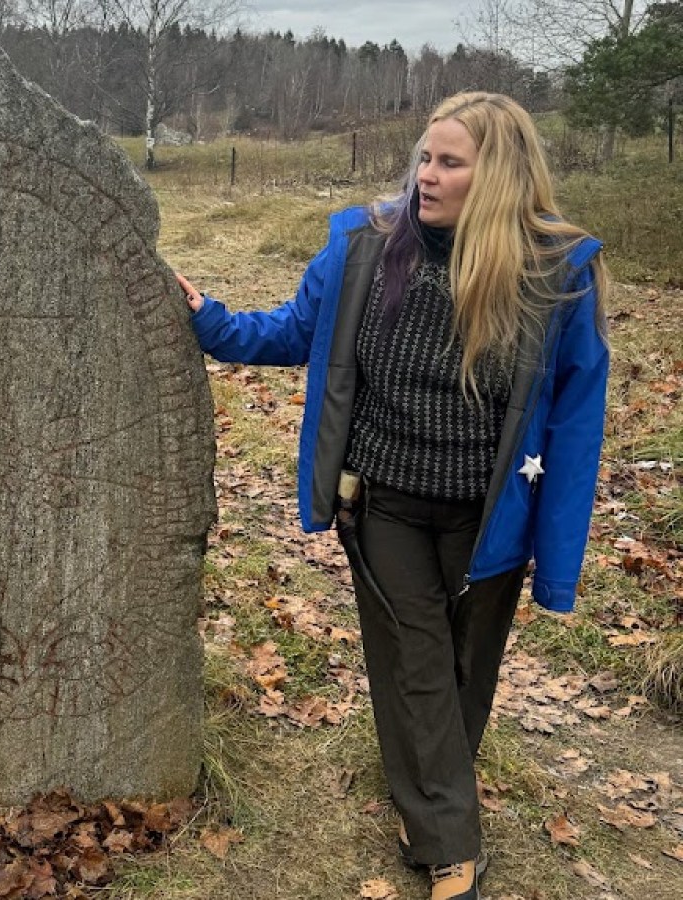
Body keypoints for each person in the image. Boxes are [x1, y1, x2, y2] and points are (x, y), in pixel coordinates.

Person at [176, 91, 608, 900]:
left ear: (501, 178)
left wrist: (557, 562)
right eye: (423, 158)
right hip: (387, 503)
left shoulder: (557, 274)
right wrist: (209, 320)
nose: (426, 176)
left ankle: (428, 803)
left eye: (449, 163)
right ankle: (454, 850)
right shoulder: (366, 247)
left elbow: (579, 425)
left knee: (462, 674)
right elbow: (292, 331)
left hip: (492, 517)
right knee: (415, 664)